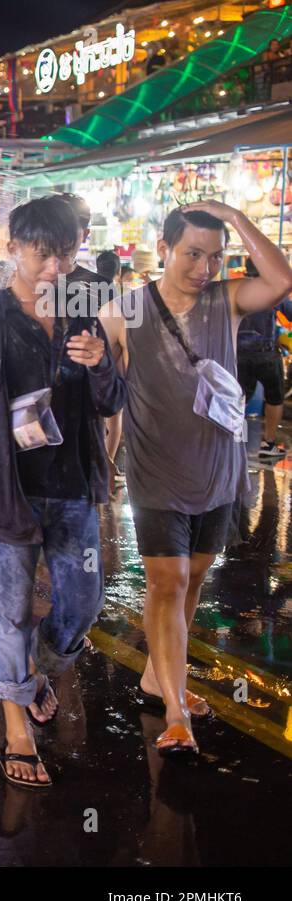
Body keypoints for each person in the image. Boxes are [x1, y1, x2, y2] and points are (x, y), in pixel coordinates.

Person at [100, 202, 292, 757]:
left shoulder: (226, 301)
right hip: (156, 469)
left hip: (218, 467)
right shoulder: (123, 312)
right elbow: (104, 397)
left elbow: (280, 280)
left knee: (195, 578)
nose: (204, 267)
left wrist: (234, 214)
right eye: (192, 254)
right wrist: (103, 459)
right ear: (162, 250)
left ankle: (160, 676)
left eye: (215, 256)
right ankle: (176, 709)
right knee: (167, 583)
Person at [0, 196, 126, 788]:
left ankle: (35, 670)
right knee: (6, 612)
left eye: (66, 253)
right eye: (42, 253)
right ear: (14, 250)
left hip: (73, 485)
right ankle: (17, 732)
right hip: (9, 490)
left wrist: (101, 362)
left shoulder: (85, 311)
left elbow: (110, 402)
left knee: (81, 603)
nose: (55, 267)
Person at [236, 258, 291, 459]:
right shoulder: (274, 291)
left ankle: (234, 442)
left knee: (238, 399)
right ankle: (267, 445)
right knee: (274, 398)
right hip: (267, 354)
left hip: (239, 354)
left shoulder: (236, 290)